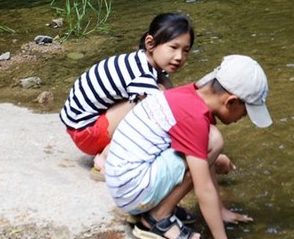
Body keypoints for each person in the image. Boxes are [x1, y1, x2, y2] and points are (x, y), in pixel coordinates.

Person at [104, 54, 272, 239]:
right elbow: (204, 188)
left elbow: (202, 152)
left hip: (123, 181)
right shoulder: (194, 118)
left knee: (210, 144)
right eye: (245, 113)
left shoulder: (190, 95)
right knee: (213, 143)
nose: (242, 119)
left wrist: (220, 210)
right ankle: (157, 218)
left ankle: (156, 208)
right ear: (231, 102)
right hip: (132, 189)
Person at [60, 12, 194, 175]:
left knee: (161, 94)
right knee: (153, 106)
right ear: (150, 43)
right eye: (173, 48)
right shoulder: (141, 75)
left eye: (186, 50)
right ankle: (106, 157)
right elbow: (163, 115)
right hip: (86, 133)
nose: (179, 57)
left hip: (79, 123)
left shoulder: (141, 60)